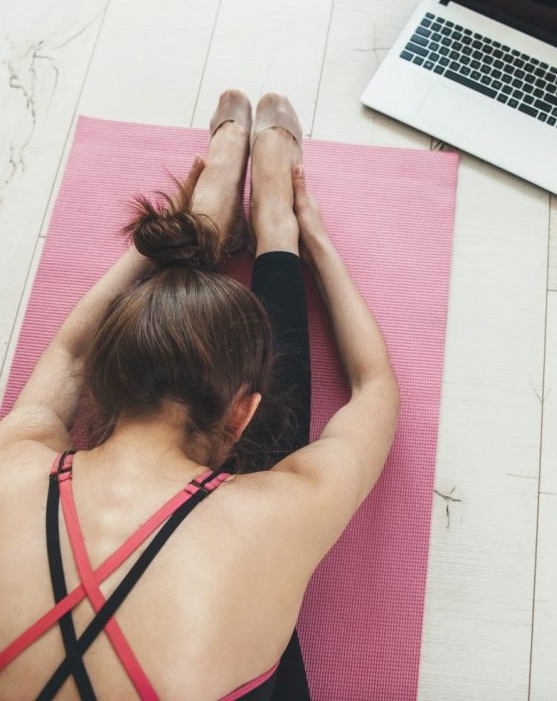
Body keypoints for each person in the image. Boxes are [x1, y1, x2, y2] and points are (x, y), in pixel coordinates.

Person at [0, 91, 400, 700]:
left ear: (104, 384)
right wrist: (312, 240)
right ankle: (275, 238)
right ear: (244, 412)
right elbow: (374, 389)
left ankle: (209, 228)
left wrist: (158, 244)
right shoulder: (278, 511)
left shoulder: (13, 463)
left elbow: (69, 355)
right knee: (255, 517)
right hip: (243, 519)